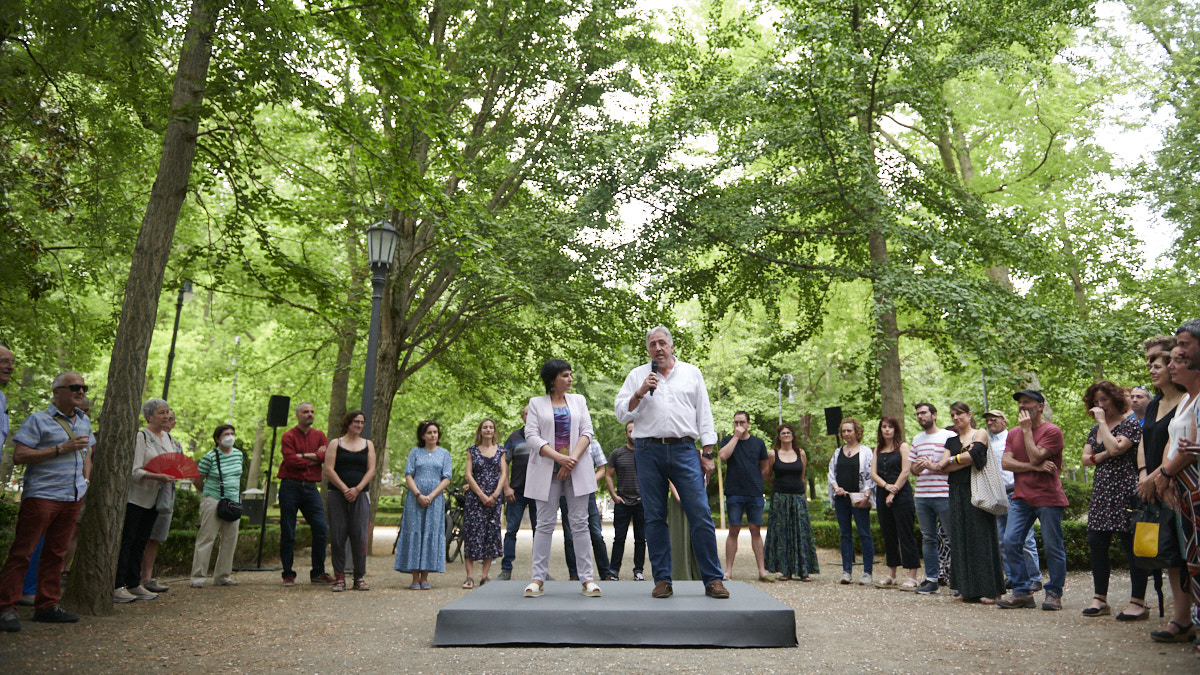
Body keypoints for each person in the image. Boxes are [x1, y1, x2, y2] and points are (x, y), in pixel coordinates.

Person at [614, 326, 728, 599]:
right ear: (648, 350)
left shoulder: (691, 373)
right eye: (652, 344)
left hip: (685, 450)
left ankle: (713, 579)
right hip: (647, 450)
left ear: (672, 346)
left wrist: (708, 453)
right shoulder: (637, 375)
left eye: (662, 343)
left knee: (700, 513)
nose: (658, 348)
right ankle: (663, 579)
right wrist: (640, 392)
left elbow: (705, 413)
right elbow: (620, 413)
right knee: (654, 516)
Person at [0, 372, 93, 632]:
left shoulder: (84, 421)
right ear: (56, 391)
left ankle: (47, 605)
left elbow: (87, 453)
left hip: (72, 496)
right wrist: (60, 449)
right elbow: (19, 455)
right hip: (42, 495)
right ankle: (6, 607)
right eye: (74, 387)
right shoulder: (38, 420)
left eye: (83, 387)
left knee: (57, 553)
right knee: (23, 553)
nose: (81, 391)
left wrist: (85, 481)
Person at [523, 359, 601, 598]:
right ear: (552, 379)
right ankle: (538, 579)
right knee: (544, 524)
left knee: (580, 524)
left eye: (570, 375)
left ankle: (587, 578)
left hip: (576, 469)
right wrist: (559, 458)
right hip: (547, 469)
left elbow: (587, 431)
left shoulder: (579, 401)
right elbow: (531, 436)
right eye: (565, 375)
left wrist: (571, 460)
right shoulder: (536, 403)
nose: (570, 379)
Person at [1136, 342, 1191, 636]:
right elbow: (1146, 440)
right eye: (1150, 364)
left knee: (1187, 553)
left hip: (1177, 482)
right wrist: (1145, 474)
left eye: (1157, 365)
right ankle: (1181, 618)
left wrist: (1160, 475)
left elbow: (1180, 446)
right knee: (1169, 553)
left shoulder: (1188, 399)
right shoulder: (1154, 404)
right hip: (1155, 485)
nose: (1151, 369)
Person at [1080, 381, 1147, 619]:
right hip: (1102, 491)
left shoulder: (1131, 424)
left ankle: (1138, 601)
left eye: (1104, 400)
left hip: (1126, 489)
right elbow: (1085, 459)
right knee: (1097, 543)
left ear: (1115, 399)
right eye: (1096, 402)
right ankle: (1100, 599)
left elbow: (1118, 450)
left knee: (1132, 546)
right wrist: (1107, 451)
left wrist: (1104, 434)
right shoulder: (1094, 430)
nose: (1100, 406)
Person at [1150, 335, 1200, 649]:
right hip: (1181, 490)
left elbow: (1191, 449)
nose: (1171, 364)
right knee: (1188, 559)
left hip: (1192, 484)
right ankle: (1188, 619)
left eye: (1177, 359)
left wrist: (1165, 473)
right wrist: (1165, 478)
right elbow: (1173, 441)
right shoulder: (1185, 401)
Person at [997, 390, 1068, 611]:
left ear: (1040, 406)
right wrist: (1033, 467)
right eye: (1020, 403)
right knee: (1010, 541)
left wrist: (1028, 432)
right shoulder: (1013, 433)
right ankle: (1022, 592)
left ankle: (1054, 593)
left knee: (1052, 546)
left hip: (1048, 498)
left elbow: (1037, 454)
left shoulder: (1052, 431)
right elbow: (1006, 463)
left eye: (1026, 402)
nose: (1022, 406)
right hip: (1021, 497)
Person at [935, 402, 1005, 604]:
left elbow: (974, 456)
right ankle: (967, 589)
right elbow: (943, 467)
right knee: (961, 537)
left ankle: (991, 590)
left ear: (969, 414)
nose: (956, 417)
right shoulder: (951, 440)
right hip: (956, 491)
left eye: (959, 414)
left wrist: (952, 460)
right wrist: (959, 459)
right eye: (952, 415)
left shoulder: (980, 433)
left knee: (982, 537)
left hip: (977, 489)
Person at [113, 398, 176, 603]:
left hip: (157, 498)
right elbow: (134, 471)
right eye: (161, 412)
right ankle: (117, 585)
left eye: (167, 412)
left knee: (142, 541)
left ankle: (134, 583)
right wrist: (157, 476)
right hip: (137, 497)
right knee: (128, 540)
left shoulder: (168, 438)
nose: (166, 416)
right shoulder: (141, 437)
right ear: (149, 416)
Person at [985, 410, 1041, 593]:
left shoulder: (1014, 436)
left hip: (1016, 492)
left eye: (994, 419)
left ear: (1004, 421)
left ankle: (1034, 577)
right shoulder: (986, 441)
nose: (990, 422)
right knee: (1003, 539)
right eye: (987, 420)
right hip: (997, 495)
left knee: (1025, 539)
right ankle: (1012, 576)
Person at [278, 402, 334, 586]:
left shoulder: (319, 435)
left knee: (321, 528)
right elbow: (290, 461)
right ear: (297, 415)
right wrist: (314, 457)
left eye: (312, 412)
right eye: (305, 412)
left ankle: (318, 572)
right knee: (288, 530)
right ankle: (288, 573)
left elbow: (326, 456)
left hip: (310, 488)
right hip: (290, 487)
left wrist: (303, 456)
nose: (310, 414)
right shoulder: (288, 436)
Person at [395, 420, 453, 590]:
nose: (433, 435)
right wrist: (419, 494)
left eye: (435, 432)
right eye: (429, 432)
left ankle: (425, 576)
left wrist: (432, 496)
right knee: (415, 532)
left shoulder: (444, 454)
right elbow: (409, 475)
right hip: (415, 500)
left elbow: (447, 478)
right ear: (422, 435)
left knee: (430, 532)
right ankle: (414, 577)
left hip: (435, 501)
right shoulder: (415, 452)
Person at [323, 410, 376, 592]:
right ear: (348, 423)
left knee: (359, 536)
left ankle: (359, 577)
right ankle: (339, 577)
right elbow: (329, 469)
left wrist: (357, 488)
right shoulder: (335, 444)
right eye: (356, 422)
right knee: (338, 536)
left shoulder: (368, 445)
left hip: (360, 495)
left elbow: (371, 470)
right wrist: (345, 489)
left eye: (362, 422)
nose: (359, 426)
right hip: (337, 494)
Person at [719, 410, 772, 582]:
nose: (739, 426)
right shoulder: (727, 440)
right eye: (736, 422)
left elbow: (765, 467)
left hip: (754, 492)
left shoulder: (758, 443)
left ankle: (762, 571)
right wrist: (735, 437)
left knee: (755, 529)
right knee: (733, 529)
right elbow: (723, 456)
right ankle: (728, 571)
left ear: (749, 424)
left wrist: (755, 480)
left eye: (742, 422)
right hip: (734, 491)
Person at [764, 423, 819, 582]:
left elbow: (802, 476)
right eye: (783, 433)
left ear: (793, 435)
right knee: (782, 533)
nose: (786, 435)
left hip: (798, 496)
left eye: (789, 432)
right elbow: (767, 475)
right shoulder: (772, 454)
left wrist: (801, 491)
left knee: (801, 531)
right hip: (780, 496)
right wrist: (778, 484)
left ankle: (803, 570)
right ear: (779, 436)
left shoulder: (800, 453)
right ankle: (785, 570)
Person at [190, 424, 243, 588]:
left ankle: (222, 576)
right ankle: (198, 576)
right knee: (207, 537)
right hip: (213, 499)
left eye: (232, 434)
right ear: (217, 439)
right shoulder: (210, 457)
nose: (230, 437)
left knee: (230, 539)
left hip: (233, 502)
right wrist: (208, 495)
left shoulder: (239, 455)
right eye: (226, 434)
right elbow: (197, 479)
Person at [910, 402, 954, 595]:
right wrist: (918, 468)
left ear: (934, 415)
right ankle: (931, 579)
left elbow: (954, 463)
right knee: (928, 538)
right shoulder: (917, 439)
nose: (920, 417)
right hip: (922, 495)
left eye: (924, 413)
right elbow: (912, 469)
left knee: (953, 537)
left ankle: (959, 579)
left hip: (944, 494)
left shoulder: (949, 436)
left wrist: (933, 464)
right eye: (918, 414)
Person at [870, 416, 919, 590]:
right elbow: (873, 474)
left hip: (901, 493)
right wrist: (885, 486)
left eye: (890, 426)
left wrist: (894, 490)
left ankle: (912, 575)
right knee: (888, 534)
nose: (887, 430)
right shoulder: (878, 449)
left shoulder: (903, 447)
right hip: (883, 491)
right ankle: (891, 574)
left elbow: (906, 470)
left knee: (905, 533)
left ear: (895, 429)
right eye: (884, 426)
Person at [827, 417, 875, 585]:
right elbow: (831, 473)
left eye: (849, 431)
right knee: (845, 534)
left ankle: (867, 572)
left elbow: (871, 476)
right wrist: (836, 487)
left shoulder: (866, 452)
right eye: (844, 431)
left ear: (856, 432)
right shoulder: (838, 452)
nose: (846, 434)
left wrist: (866, 496)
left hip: (859, 498)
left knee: (864, 534)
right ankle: (846, 571)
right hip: (842, 498)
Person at [462, 418, 506, 588]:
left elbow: (503, 474)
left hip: (494, 499)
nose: (488, 430)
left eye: (491, 427)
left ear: (494, 431)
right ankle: (470, 577)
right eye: (485, 427)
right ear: (480, 431)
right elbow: (468, 474)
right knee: (472, 533)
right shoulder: (472, 451)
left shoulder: (501, 451)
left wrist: (495, 495)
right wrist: (480, 494)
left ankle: (485, 576)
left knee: (491, 534)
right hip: (475, 498)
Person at [140, 409, 181, 594]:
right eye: (165, 417)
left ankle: (147, 577)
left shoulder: (175, 444)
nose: (168, 421)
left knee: (155, 537)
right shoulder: (144, 438)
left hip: (166, 495)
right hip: (145, 494)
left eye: (171, 419)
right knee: (139, 536)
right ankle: (132, 577)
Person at [562, 438, 614, 581]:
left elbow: (602, 470)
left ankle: (605, 573)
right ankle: (574, 574)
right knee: (569, 535)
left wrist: (587, 482)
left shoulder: (594, 443)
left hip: (587, 492)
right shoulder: (562, 442)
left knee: (596, 533)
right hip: (565, 491)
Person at [498, 406, 535, 581]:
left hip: (539, 492)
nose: (530, 416)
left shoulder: (544, 435)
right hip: (517, 492)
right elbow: (503, 463)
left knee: (540, 533)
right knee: (511, 530)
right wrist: (506, 487)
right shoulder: (513, 438)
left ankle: (540, 572)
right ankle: (506, 569)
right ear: (522, 417)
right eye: (527, 413)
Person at [606, 422, 645, 581]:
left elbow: (653, 475)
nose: (633, 434)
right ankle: (614, 570)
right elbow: (608, 475)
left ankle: (638, 570)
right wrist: (614, 495)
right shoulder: (617, 454)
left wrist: (647, 494)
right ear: (626, 434)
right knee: (619, 538)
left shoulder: (645, 453)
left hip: (640, 502)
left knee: (641, 538)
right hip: (622, 502)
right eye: (630, 431)